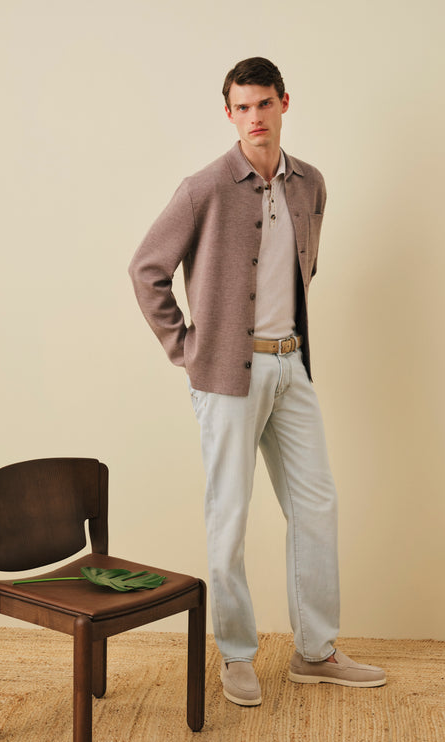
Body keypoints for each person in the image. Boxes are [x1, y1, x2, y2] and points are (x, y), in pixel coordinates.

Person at [129, 57, 386, 706]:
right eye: (242, 108)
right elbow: (147, 270)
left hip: (292, 366)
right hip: (225, 375)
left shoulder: (310, 185)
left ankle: (315, 650)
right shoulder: (204, 188)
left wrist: (285, 343)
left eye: (264, 104)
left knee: (316, 505)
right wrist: (186, 348)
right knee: (231, 516)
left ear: (283, 104)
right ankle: (237, 656)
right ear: (229, 114)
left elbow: (305, 266)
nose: (254, 118)